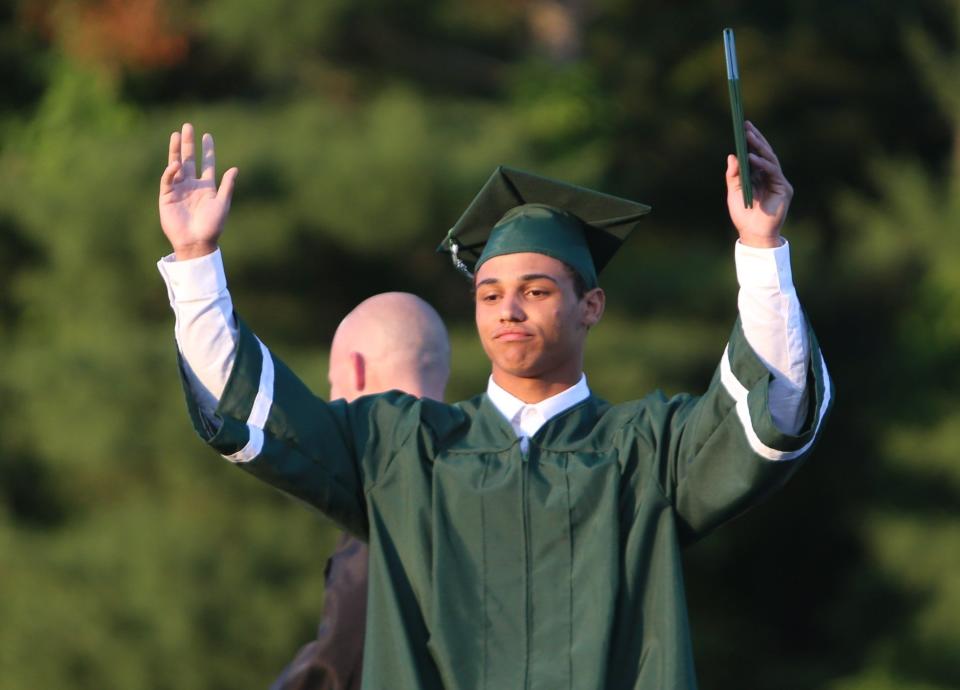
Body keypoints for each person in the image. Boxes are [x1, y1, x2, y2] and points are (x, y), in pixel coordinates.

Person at [157, 121, 832, 690]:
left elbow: (767, 404)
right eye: (489, 294)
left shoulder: (646, 451)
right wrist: (195, 258)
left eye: (536, 291)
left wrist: (761, 247)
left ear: (590, 305)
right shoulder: (402, 452)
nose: (508, 309)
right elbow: (251, 404)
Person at [269, 293, 451, 690]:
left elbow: (345, 659)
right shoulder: (491, 472)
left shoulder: (391, 487)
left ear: (356, 368)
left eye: (333, 386)